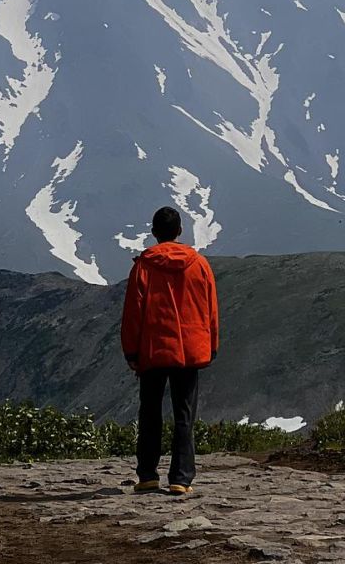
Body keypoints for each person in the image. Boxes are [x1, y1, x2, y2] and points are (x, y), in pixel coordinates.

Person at [120, 206, 219, 495]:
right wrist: (211, 345)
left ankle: (148, 475)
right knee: (184, 414)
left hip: (153, 350)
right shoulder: (199, 264)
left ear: (154, 233)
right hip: (189, 350)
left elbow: (133, 314)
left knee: (150, 411)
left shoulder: (143, 266)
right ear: (179, 232)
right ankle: (181, 478)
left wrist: (131, 352)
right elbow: (210, 309)